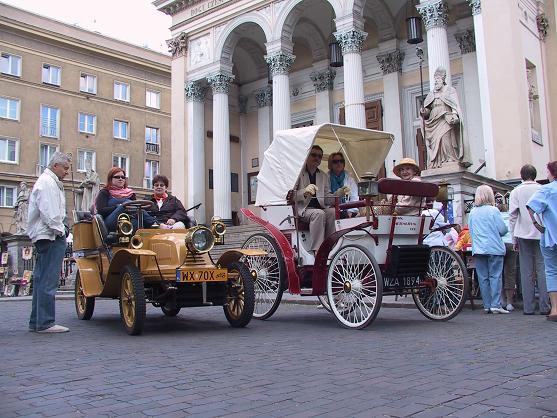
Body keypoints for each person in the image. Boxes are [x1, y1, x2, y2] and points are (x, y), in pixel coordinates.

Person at [27, 152, 72, 333]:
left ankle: (36, 321)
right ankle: (45, 322)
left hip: (45, 235)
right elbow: (50, 213)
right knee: (48, 280)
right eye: (66, 168)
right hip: (51, 236)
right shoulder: (48, 183)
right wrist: (62, 230)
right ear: (55, 166)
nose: (67, 172)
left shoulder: (46, 182)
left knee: (41, 279)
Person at [509, 164, 550, 315]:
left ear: (521, 175)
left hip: (523, 233)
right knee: (542, 269)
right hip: (541, 233)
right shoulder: (542, 189)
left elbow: (513, 217)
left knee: (526, 271)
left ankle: (528, 307)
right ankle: (545, 306)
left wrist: (513, 239)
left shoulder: (516, 191)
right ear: (535, 175)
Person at [468, 185, 509, 314]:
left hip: (479, 249)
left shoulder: (473, 212)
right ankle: (496, 304)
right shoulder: (493, 210)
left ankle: (487, 305)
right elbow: (502, 230)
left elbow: (471, 230)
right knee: (495, 276)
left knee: (482, 277)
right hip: (494, 247)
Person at [294, 145, 343, 253]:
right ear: (307, 156)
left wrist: (337, 194)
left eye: (319, 156)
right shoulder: (298, 173)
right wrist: (304, 192)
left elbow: (327, 199)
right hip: (303, 209)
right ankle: (318, 250)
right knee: (319, 214)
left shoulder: (323, 176)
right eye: (313, 155)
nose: (317, 158)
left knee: (332, 212)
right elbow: (291, 196)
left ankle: (329, 246)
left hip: (319, 208)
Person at [527, 161, 557, 321]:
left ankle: (555, 309)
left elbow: (530, 206)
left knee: (552, 271)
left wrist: (537, 224)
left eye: (548, 172)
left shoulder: (546, 189)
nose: (547, 175)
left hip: (551, 236)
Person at [420, 67, 464, 169]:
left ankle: (450, 159)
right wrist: (424, 111)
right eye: (435, 79)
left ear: (443, 79)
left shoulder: (450, 90)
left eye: (438, 79)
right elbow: (427, 110)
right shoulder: (432, 94)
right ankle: (437, 161)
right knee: (436, 142)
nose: (436, 81)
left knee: (445, 139)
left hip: (445, 118)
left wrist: (454, 115)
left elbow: (455, 105)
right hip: (434, 121)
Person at [95, 167, 156, 232]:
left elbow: (136, 210)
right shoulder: (104, 192)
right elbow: (101, 210)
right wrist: (118, 206)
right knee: (127, 203)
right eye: (117, 177)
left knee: (136, 221)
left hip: (129, 220)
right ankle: (155, 223)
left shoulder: (130, 193)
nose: (120, 179)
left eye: (123, 177)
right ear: (110, 179)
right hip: (111, 221)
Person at [498, 204, 519, 312]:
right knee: (510, 273)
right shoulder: (511, 216)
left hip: (499, 245)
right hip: (511, 244)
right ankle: (510, 302)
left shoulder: (496, 216)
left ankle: (502, 300)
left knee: (499, 273)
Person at [328, 152, 359, 218]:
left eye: (341, 161)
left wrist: (350, 211)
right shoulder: (326, 178)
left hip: (347, 210)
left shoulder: (350, 179)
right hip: (331, 210)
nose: (339, 163)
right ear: (330, 164)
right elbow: (325, 198)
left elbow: (354, 197)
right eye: (335, 161)